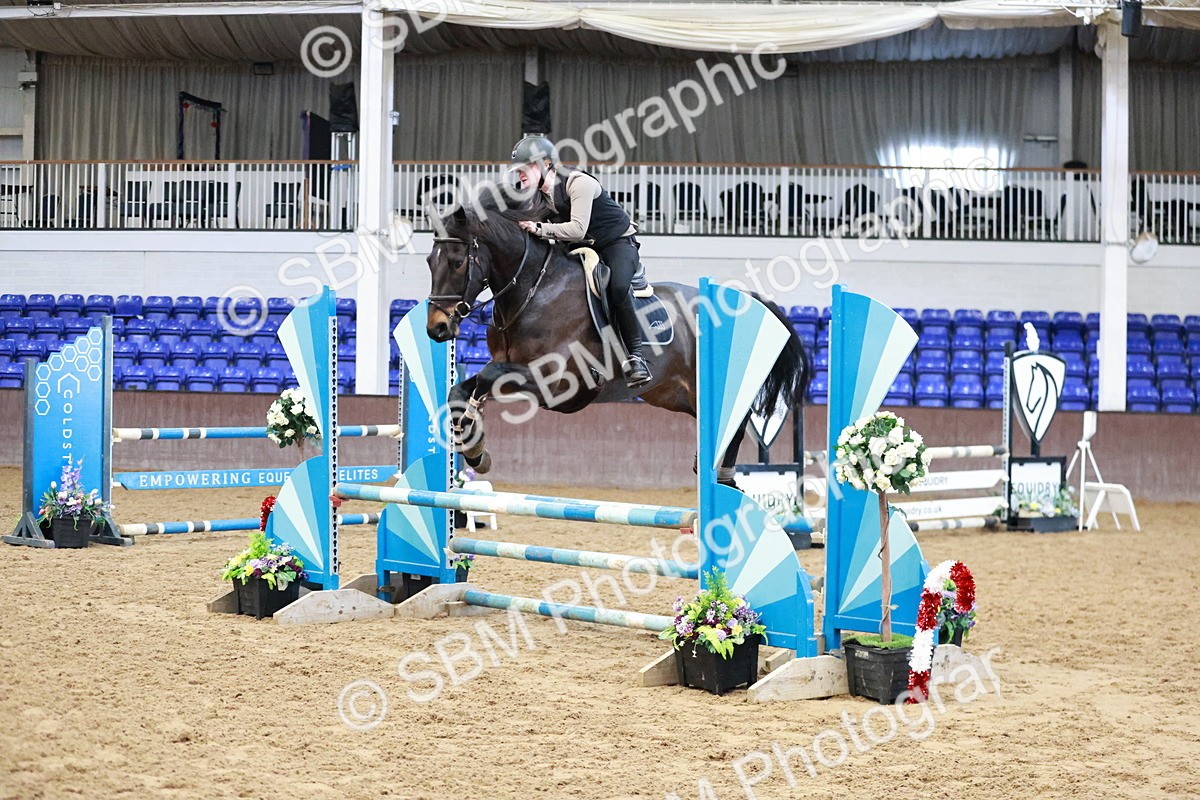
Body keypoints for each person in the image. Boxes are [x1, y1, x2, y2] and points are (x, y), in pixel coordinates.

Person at [508, 135, 651, 389]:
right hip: (583, 248)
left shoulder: (578, 183)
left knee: (617, 286)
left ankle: (636, 356)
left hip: (617, 244)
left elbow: (576, 229)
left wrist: (539, 228)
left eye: (523, 168)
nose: (518, 175)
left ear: (544, 164)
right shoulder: (538, 196)